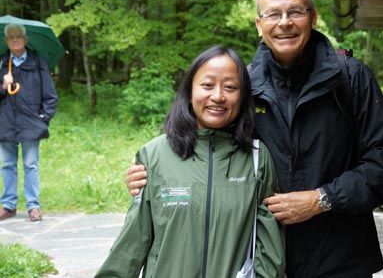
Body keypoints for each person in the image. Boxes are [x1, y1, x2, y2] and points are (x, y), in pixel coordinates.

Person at [126, 0, 383, 277]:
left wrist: (321, 199)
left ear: (313, 18)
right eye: (273, 13)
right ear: (259, 25)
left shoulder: (350, 79)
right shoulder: (244, 85)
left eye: (295, 12)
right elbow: (205, 143)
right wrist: (152, 170)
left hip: (341, 260)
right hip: (261, 260)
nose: (284, 22)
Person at [96, 46, 285, 277]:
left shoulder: (257, 158)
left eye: (230, 87)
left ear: (243, 96)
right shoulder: (155, 154)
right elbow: (134, 240)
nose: (217, 96)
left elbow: (269, 251)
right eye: (207, 85)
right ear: (190, 90)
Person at [0, 23, 58, 222]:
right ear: (6, 42)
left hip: (31, 124)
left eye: (19, 36)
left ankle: (33, 206)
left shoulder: (37, 62)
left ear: (25, 40)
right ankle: (8, 205)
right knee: (7, 165)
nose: (15, 39)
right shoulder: (1, 64)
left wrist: (42, 120)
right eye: (11, 37)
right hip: (5, 124)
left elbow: (50, 96)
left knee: (30, 164)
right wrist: (3, 85)